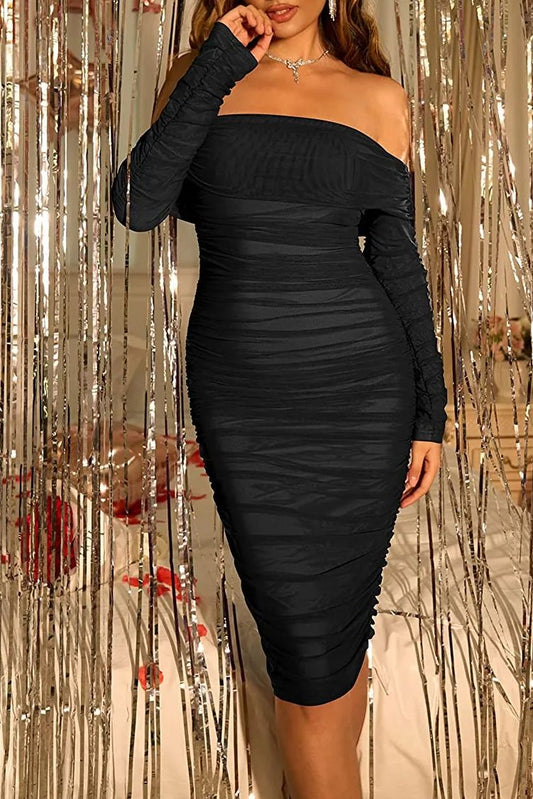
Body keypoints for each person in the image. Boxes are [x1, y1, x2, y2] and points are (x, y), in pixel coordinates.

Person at [111, 1, 448, 796]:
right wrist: (218, 65)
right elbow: (137, 204)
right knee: (306, 650)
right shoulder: (203, 77)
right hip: (246, 400)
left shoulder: (378, 97)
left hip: (362, 393)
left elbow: (395, 257)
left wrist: (429, 410)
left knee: (330, 648)